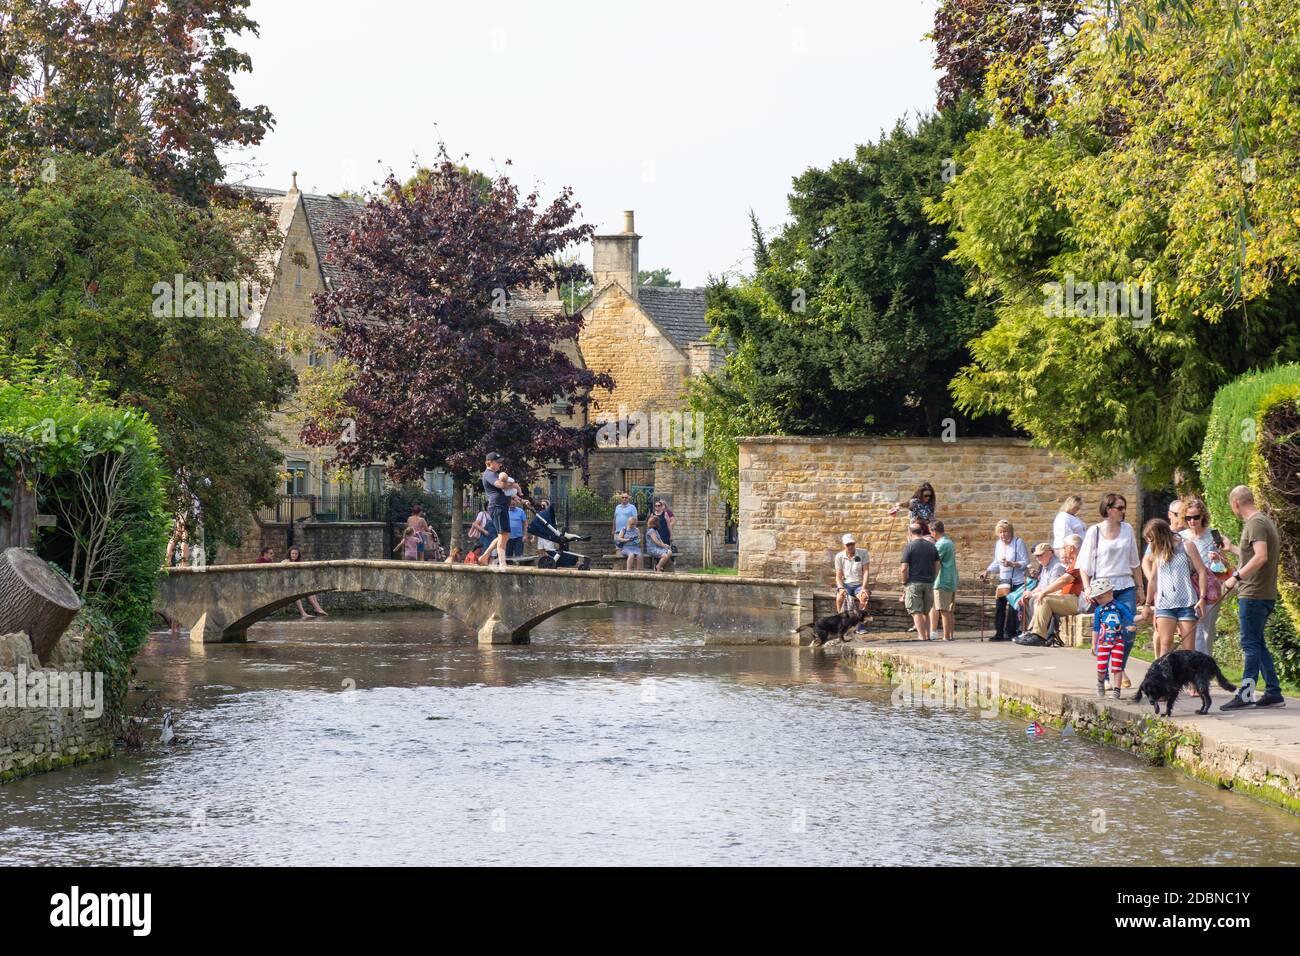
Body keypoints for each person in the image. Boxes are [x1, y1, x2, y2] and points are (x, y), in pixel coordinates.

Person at [1219, 486, 1285, 709]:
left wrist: (1234, 578)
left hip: (1254, 594)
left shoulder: (1255, 523)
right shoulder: (1263, 521)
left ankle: (1246, 694)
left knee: (1250, 644)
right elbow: (1253, 555)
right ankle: (1274, 692)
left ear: (1236, 503)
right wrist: (1233, 549)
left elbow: (1261, 557)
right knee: (1258, 643)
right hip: (1262, 593)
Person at [1078, 493, 1143, 685]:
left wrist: (1140, 587)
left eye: (1125, 508)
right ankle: (1105, 675)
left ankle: (1118, 668)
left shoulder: (1127, 529)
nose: (1124, 512)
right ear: (1108, 509)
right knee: (1108, 632)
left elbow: (1134, 561)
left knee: (1129, 629)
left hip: (1125, 585)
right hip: (1103, 589)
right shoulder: (1094, 532)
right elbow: (1085, 566)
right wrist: (1088, 588)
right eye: (1120, 508)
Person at [1142, 518, 1208, 661]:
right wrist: (1148, 604)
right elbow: (1153, 579)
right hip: (1165, 604)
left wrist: (1202, 598)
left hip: (1187, 602)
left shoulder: (1187, 545)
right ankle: (1164, 681)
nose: (1150, 544)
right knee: (1165, 645)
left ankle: (1191, 682)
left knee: (1188, 649)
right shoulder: (1157, 550)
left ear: (1161, 535)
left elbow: (1202, 571)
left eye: (1152, 540)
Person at [1180, 495, 1228, 659]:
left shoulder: (1214, 535)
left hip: (1210, 588)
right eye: (1188, 518)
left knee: (1207, 630)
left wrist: (1218, 559)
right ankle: (1200, 667)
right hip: (1188, 587)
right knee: (1194, 628)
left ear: (1203, 517)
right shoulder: (1181, 537)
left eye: (1196, 517)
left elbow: (1224, 567)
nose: (1192, 521)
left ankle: (1206, 664)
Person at [1019, 534, 1085, 642]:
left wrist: (1044, 592)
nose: (1062, 550)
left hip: (1077, 599)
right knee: (1040, 599)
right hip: (1069, 597)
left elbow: (1063, 580)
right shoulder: (1075, 562)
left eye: (1064, 547)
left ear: (1072, 548)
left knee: (1044, 600)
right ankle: (1034, 633)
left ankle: (1038, 635)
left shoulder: (1079, 562)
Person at [1089, 578, 1140, 700]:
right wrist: (1093, 644)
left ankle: (1117, 690)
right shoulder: (1099, 610)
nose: (1098, 600)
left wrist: (1139, 620)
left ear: (1110, 593)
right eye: (1096, 598)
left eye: (1100, 597)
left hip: (1118, 642)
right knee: (1101, 667)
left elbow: (1131, 618)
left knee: (1117, 666)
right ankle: (1100, 683)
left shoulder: (1119, 606)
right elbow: (1096, 628)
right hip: (1103, 642)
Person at [980, 520, 1028, 641]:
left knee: (1013, 608)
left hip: (1017, 581)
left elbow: (1025, 562)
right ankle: (999, 633)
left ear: (1010, 532)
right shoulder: (998, 544)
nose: (1003, 535)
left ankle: (1010, 633)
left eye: (1005, 532)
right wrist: (987, 570)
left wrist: (1012, 564)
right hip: (1003, 581)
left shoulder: (1018, 542)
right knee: (999, 607)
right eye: (1000, 532)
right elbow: (997, 562)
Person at [479, 452, 522, 568]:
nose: (500, 464)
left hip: (502, 506)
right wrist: (514, 485)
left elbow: (504, 491)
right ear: (490, 462)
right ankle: (502, 564)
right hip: (497, 507)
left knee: (504, 535)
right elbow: (500, 485)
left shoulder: (494, 473)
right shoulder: (489, 474)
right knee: (503, 535)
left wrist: (517, 497)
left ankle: (485, 556)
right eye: (498, 462)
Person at [900, 522, 940, 641]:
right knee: (926, 611)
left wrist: (904, 581)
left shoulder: (909, 546)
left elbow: (904, 568)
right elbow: (937, 564)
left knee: (916, 611)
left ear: (910, 533)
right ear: (922, 532)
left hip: (914, 582)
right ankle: (927, 636)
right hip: (929, 582)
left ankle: (922, 636)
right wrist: (934, 577)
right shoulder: (931, 546)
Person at [931, 521, 958, 641]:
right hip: (951, 578)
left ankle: (946, 637)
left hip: (942, 580)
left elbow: (935, 561)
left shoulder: (940, 544)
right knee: (950, 610)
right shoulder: (949, 542)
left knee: (944, 610)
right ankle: (950, 635)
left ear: (934, 531)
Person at [285, 546, 328, 619]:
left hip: (294, 584)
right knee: (296, 593)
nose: (294, 555)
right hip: (287, 585)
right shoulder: (286, 561)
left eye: (296, 554)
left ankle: (317, 608)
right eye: (293, 553)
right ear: (289, 554)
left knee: (309, 588)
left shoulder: (297, 563)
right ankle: (303, 613)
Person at [834, 533, 870, 617]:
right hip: (846, 585)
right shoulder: (839, 556)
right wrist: (840, 588)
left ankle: (860, 624)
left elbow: (866, 571)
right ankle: (841, 621)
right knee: (839, 598)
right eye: (848, 544)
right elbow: (838, 576)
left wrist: (864, 588)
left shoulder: (863, 553)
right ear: (844, 545)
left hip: (859, 585)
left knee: (864, 597)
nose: (850, 546)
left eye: (852, 544)